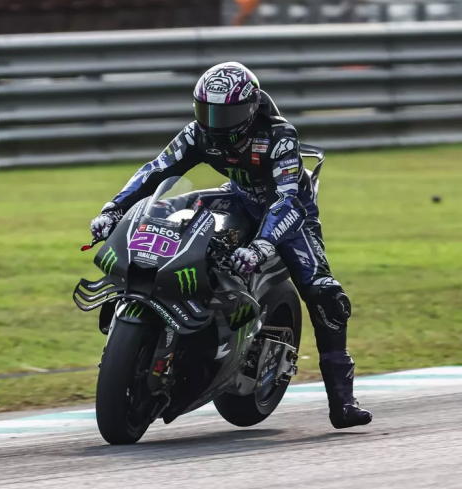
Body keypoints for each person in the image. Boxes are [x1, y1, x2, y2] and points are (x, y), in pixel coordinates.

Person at [90, 62, 372, 429]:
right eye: (206, 111)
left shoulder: (279, 136)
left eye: (226, 114)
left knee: (327, 296)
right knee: (168, 213)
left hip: (288, 214)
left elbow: (287, 201)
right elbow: (156, 170)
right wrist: (114, 209)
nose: (215, 123)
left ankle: (343, 401)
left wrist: (261, 246)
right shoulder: (197, 133)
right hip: (237, 197)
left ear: (251, 108)